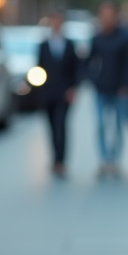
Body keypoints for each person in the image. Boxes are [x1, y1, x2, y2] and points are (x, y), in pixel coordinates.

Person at [86, 0, 128, 178]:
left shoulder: (124, 36)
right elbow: (89, 61)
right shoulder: (96, 37)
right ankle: (104, 160)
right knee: (101, 125)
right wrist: (92, 78)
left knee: (119, 126)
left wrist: (126, 84)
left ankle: (116, 160)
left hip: (120, 90)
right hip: (101, 88)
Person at [36, 10, 80, 177]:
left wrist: (73, 88)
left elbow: (75, 69)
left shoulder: (69, 45)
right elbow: (38, 68)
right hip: (48, 92)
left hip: (64, 92)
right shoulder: (44, 45)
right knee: (51, 127)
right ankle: (54, 158)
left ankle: (61, 161)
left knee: (61, 125)